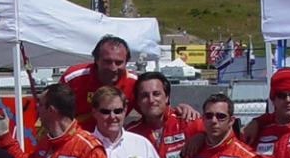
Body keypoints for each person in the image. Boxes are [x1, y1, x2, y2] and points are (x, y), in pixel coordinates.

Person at [59, 35, 199, 130]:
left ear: (127, 62)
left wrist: (180, 109)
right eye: (107, 62)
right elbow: (53, 112)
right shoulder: (73, 77)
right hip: (75, 141)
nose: (113, 68)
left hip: (112, 142)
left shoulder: (134, 82)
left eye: (119, 63)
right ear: (96, 59)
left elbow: (154, 111)